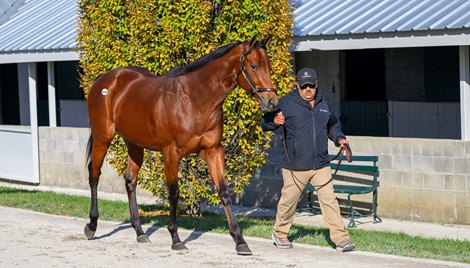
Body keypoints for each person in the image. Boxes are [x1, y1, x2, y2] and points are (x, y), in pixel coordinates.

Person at [261, 67, 355, 252]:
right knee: (289, 201)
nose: (307, 89)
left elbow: (333, 125)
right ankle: (280, 233)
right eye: (303, 86)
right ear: (297, 85)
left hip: (320, 163)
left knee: (329, 200)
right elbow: (265, 122)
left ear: (316, 84)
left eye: (311, 85)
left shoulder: (323, 101)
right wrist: (274, 121)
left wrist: (339, 139)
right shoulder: (286, 102)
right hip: (295, 165)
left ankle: (341, 239)